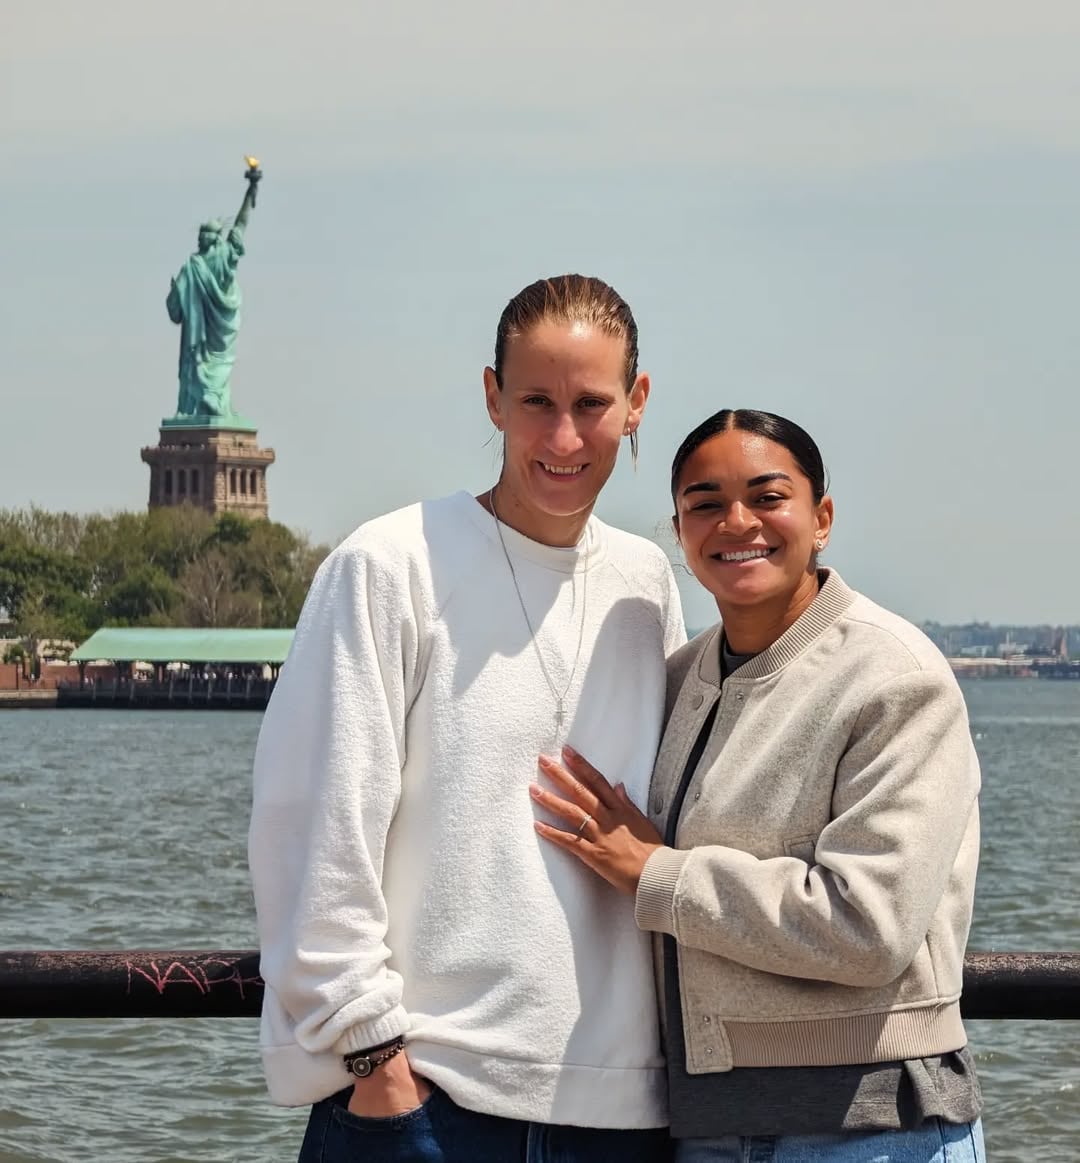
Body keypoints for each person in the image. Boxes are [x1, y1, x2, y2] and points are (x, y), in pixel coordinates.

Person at [248, 275, 686, 1162]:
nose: (564, 436)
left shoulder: (648, 585)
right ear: (492, 396)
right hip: (426, 1105)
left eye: (591, 403)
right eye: (536, 401)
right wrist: (376, 1059)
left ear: (636, 405)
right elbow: (312, 825)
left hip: (624, 1117)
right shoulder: (388, 563)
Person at [534, 409, 985, 1162]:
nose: (736, 521)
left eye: (767, 497)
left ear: (822, 518)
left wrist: (657, 872)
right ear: (679, 532)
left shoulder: (896, 678)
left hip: (870, 1125)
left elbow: (870, 925)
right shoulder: (677, 680)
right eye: (705, 503)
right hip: (702, 1124)